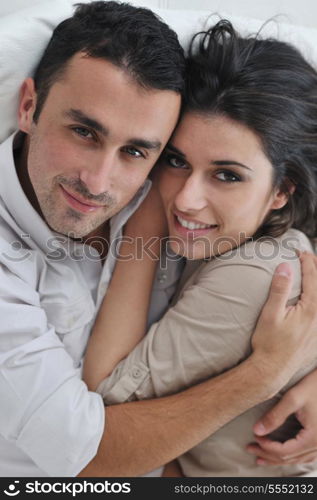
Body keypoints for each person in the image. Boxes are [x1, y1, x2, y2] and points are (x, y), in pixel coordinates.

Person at [0, 0, 316, 478]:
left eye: (136, 151)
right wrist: (262, 376)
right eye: (83, 132)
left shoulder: (170, 195)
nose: (100, 181)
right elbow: (89, 458)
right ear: (28, 106)